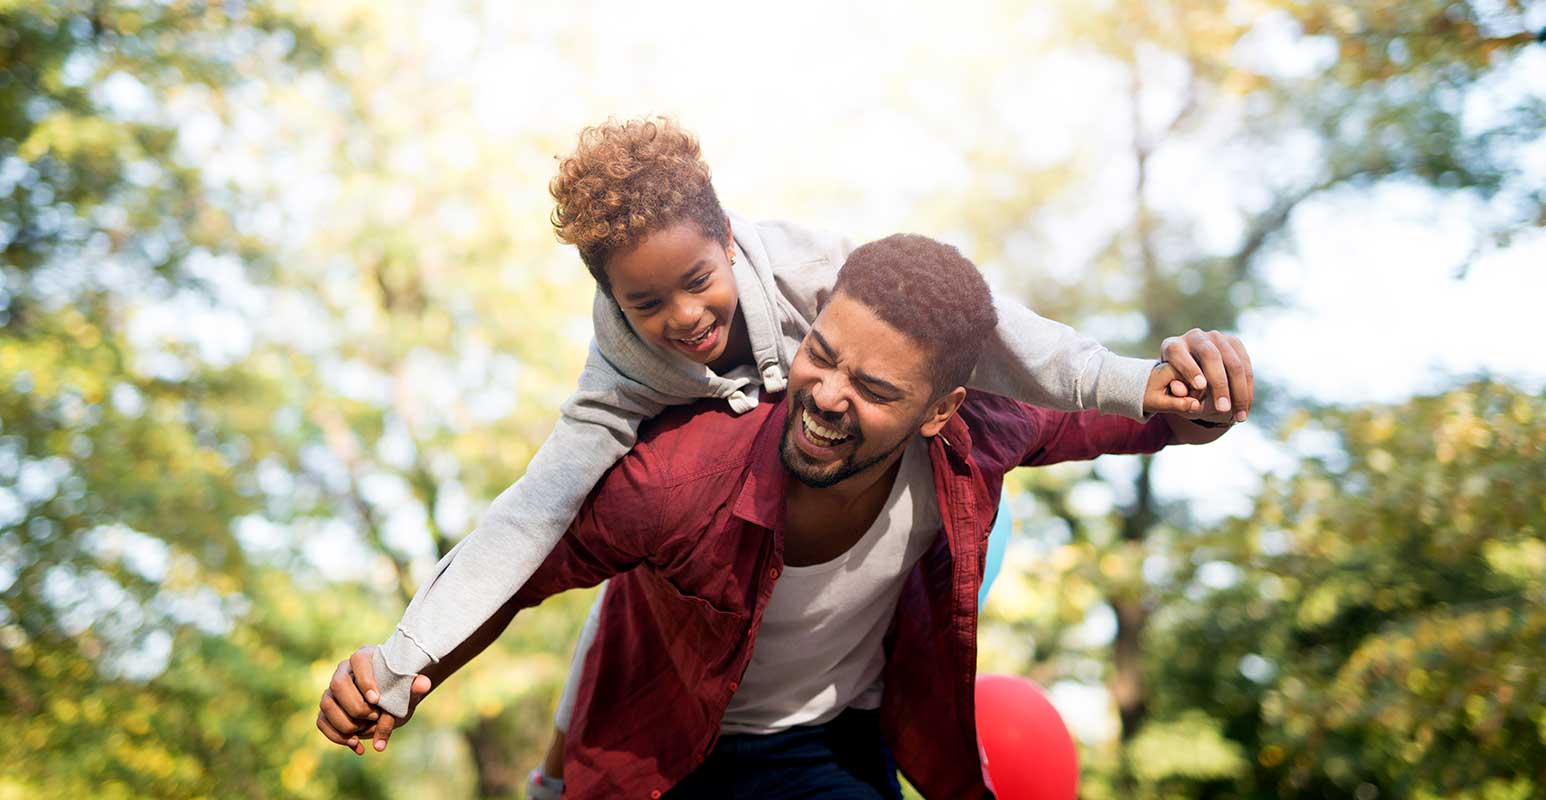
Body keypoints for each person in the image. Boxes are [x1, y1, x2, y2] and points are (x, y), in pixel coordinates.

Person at [314, 117, 1251, 743]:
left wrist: (1151, 394)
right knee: (616, 613)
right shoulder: (623, 408)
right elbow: (529, 530)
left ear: (727, 235)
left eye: (698, 281)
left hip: (836, 734)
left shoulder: (815, 271)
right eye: (646, 303)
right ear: (606, 296)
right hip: (685, 668)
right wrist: (402, 661)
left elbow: (1009, 346)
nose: (685, 318)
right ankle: (561, 764)